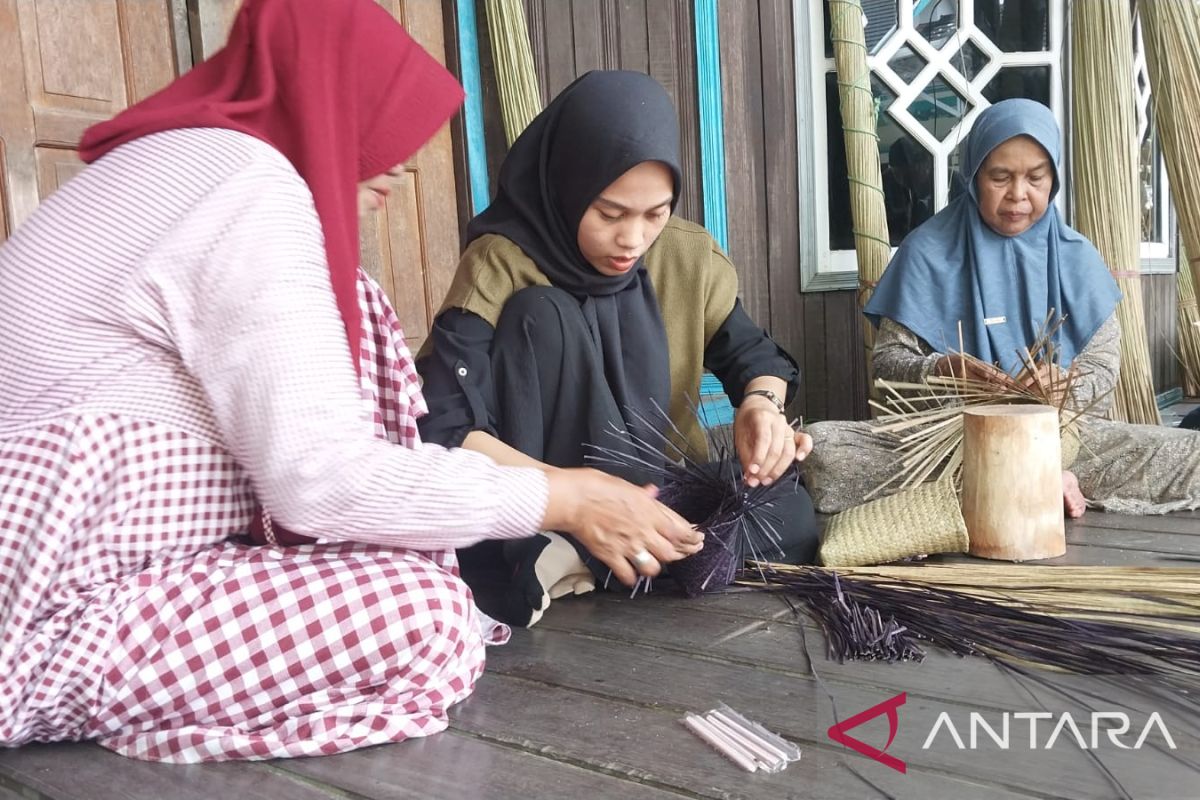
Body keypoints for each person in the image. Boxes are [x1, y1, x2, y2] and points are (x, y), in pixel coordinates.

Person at [0, 0, 701, 762]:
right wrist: (562, 496)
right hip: (39, 595)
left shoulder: (183, 161)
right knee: (429, 617)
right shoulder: (251, 190)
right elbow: (319, 477)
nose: (401, 169)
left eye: (653, 216)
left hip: (97, 553)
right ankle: (42, 684)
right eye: (381, 127)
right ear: (328, 103)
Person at [416, 70, 820, 627]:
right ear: (566, 185)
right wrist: (573, 497)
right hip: (545, 501)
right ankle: (572, 546)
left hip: (658, 485)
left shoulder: (687, 256)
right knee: (544, 314)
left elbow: (754, 357)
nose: (632, 239)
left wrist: (761, 408)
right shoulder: (500, 263)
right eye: (609, 214)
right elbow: (444, 424)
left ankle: (584, 564)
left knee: (794, 512)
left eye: (655, 213)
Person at [804, 98, 1200, 518]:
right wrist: (942, 369)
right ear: (973, 176)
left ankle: (1031, 475)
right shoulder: (928, 251)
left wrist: (1066, 386)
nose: (1018, 194)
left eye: (1035, 177)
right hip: (953, 440)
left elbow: (1103, 369)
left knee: (1191, 456)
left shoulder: (1076, 258)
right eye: (1000, 177)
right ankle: (1043, 480)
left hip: (1057, 437)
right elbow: (887, 366)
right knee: (825, 449)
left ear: (1054, 179)